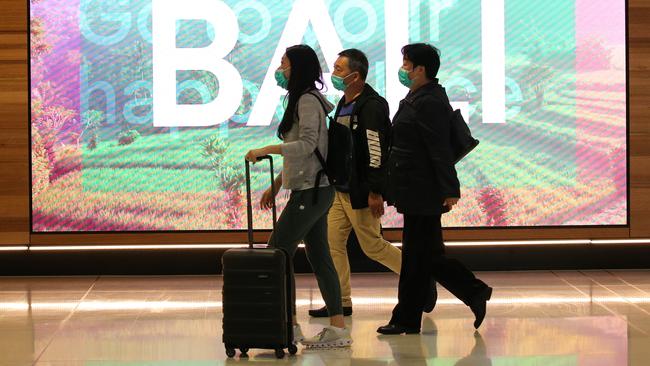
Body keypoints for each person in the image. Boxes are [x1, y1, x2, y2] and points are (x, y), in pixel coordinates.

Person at [308, 49, 437, 318]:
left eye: (339, 70)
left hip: (360, 190)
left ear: (356, 75)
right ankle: (340, 301)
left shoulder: (372, 106)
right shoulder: (343, 103)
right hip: (339, 189)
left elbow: (376, 150)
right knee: (333, 244)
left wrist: (375, 190)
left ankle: (421, 279)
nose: (334, 74)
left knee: (373, 246)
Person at [377, 43, 492, 335]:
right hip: (415, 189)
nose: (403, 69)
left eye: (406, 64)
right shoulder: (417, 97)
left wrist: (450, 189)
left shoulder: (430, 102)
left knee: (420, 257)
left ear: (421, 69)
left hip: (424, 190)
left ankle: (469, 293)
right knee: (422, 256)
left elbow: (438, 149)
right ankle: (411, 316)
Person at [245, 44, 351, 348]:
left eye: (284, 64)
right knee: (320, 258)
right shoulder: (305, 99)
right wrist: (278, 183)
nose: (280, 70)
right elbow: (310, 154)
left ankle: (288, 324)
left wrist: (267, 150)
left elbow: (306, 145)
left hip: (311, 192)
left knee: (277, 253)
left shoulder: (306, 101)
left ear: (298, 68)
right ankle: (338, 327)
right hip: (314, 189)